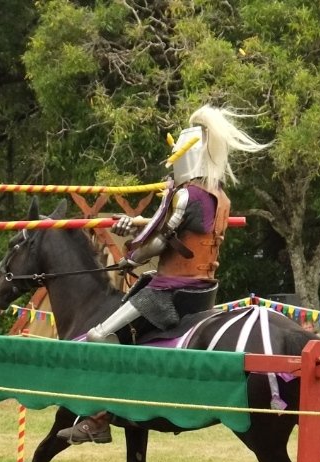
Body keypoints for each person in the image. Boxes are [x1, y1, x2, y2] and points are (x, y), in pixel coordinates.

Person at [60, 105, 269, 444]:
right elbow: (179, 238)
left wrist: (130, 249)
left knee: (99, 336)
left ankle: (100, 418)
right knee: (128, 336)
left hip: (167, 290)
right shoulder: (221, 198)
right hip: (203, 290)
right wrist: (133, 236)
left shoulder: (186, 195)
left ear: (187, 156)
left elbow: (156, 243)